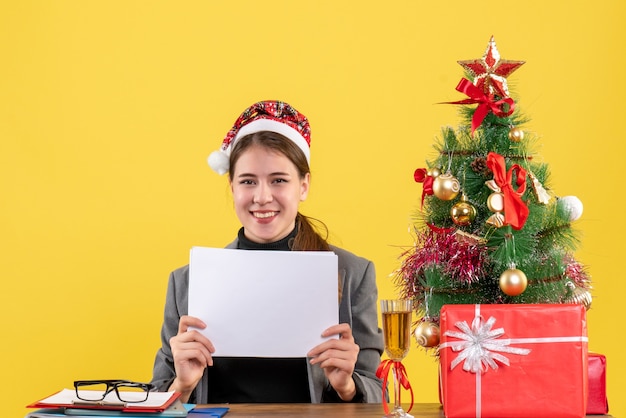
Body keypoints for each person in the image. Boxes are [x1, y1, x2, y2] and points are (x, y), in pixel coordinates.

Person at [150, 100, 384, 404]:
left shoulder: (353, 274)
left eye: (279, 181)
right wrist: (182, 384)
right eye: (248, 181)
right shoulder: (187, 282)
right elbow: (155, 396)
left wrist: (347, 386)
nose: (262, 197)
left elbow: (380, 396)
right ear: (232, 187)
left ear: (303, 186)